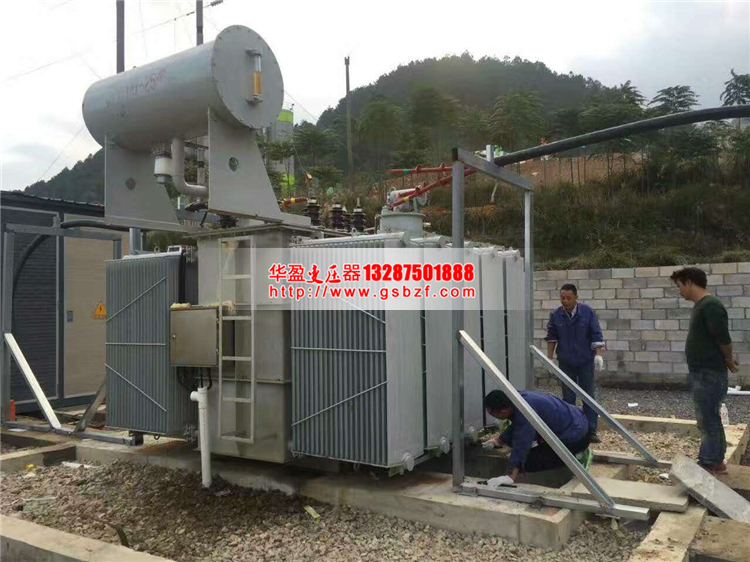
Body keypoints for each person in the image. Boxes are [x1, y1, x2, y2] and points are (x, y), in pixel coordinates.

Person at [671, 267, 739, 474]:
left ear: (689, 282)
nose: (679, 290)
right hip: (703, 372)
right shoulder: (702, 306)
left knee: (707, 419)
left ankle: (709, 462)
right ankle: (716, 460)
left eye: (680, 285)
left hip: (709, 373)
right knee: (710, 417)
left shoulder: (710, 305)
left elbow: (723, 338)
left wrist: (729, 360)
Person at [482, 389, 592, 487]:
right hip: (576, 421)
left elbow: (522, 442)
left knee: (528, 462)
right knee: (522, 451)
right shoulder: (516, 399)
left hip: (576, 437)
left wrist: (510, 476)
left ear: (503, 411)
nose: (492, 416)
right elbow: (518, 425)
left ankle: (577, 456)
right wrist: (499, 441)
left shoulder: (526, 410)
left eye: (493, 414)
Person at [546, 283, 605, 442]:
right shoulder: (556, 315)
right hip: (566, 361)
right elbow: (551, 337)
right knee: (568, 396)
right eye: (562, 298)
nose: (565, 301)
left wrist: (598, 355)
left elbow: (596, 334)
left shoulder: (587, 312)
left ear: (576, 298)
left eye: (568, 298)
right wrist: (549, 358)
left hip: (585, 360)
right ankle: (571, 428)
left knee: (588, 395)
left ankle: (591, 431)